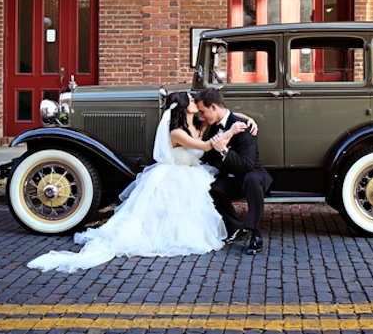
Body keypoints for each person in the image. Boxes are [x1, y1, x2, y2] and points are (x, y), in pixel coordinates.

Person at [27, 91, 248, 272]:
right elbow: (207, 146)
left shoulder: (198, 125)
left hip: (191, 173)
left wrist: (246, 119)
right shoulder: (177, 132)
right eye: (191, 101)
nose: (196, 103)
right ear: (181, 108)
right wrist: (233, 130)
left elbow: (219, 116)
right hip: (175, 174)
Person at [195, 88, 273, 255]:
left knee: (252, 179)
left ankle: (256, 235)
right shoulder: (214, 126)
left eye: (203, 112)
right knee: (213, 189)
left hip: (253, 174)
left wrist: (224, 151)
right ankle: (236, 228)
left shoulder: (244, 128)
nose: (201, 117)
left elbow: (248, 165)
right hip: (231, 178)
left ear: (214, 107)